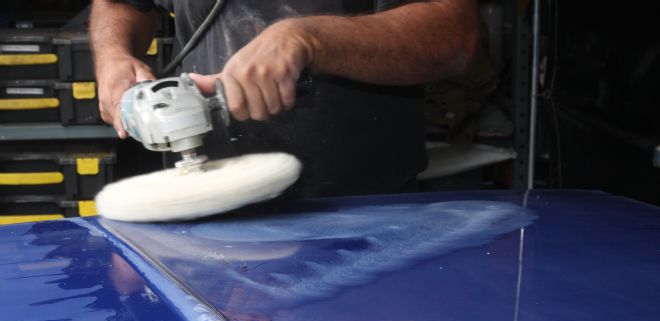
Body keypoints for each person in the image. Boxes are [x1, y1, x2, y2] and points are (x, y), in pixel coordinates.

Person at [90, 0, 479, 198]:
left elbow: (451, 33)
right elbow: (122, 4)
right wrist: (113, 55)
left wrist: (308, 38)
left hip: (359, 209)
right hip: (207, 195)